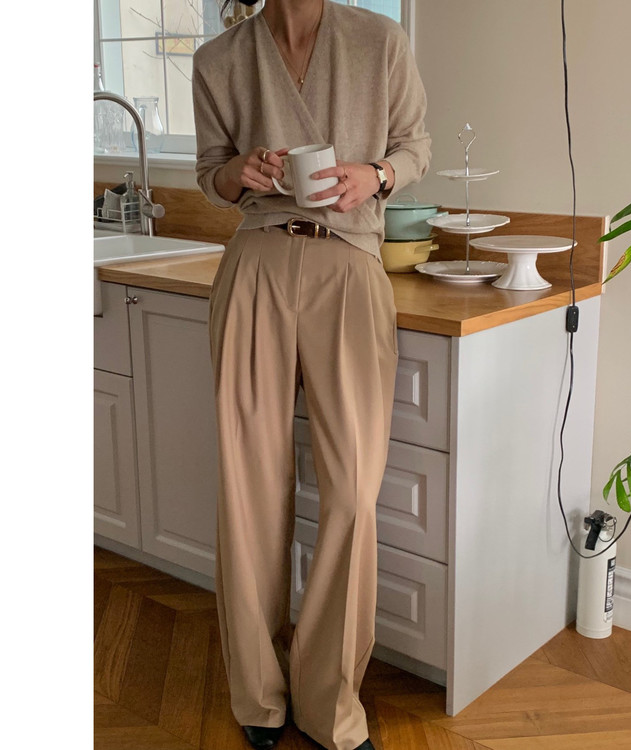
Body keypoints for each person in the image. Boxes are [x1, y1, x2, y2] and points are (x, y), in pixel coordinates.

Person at [192, 1, 430, 748]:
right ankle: (259, 697)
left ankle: (330, 703)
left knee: (353, 489)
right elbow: (209, 174)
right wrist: (238, 172)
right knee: (250, 491)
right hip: (256, 263)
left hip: (350, 265)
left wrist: (376, 174)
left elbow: (415, 146)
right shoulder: (220, 58)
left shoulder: (379, 40)